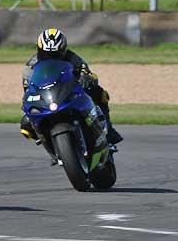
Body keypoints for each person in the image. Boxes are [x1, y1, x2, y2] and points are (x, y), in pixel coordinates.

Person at [20, 28, 123, 163]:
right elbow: (28, 88)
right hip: (47, 96)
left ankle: (109, 133)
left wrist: (87, 79)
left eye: (56, 54)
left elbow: (86, 72)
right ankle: (53, 149)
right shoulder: (31, 66)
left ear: (63, 49)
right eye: (46, 53)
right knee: (26, 123)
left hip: (68, 90)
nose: (51, 57)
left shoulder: (73, 58)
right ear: (40, 50)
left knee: (100, 94)